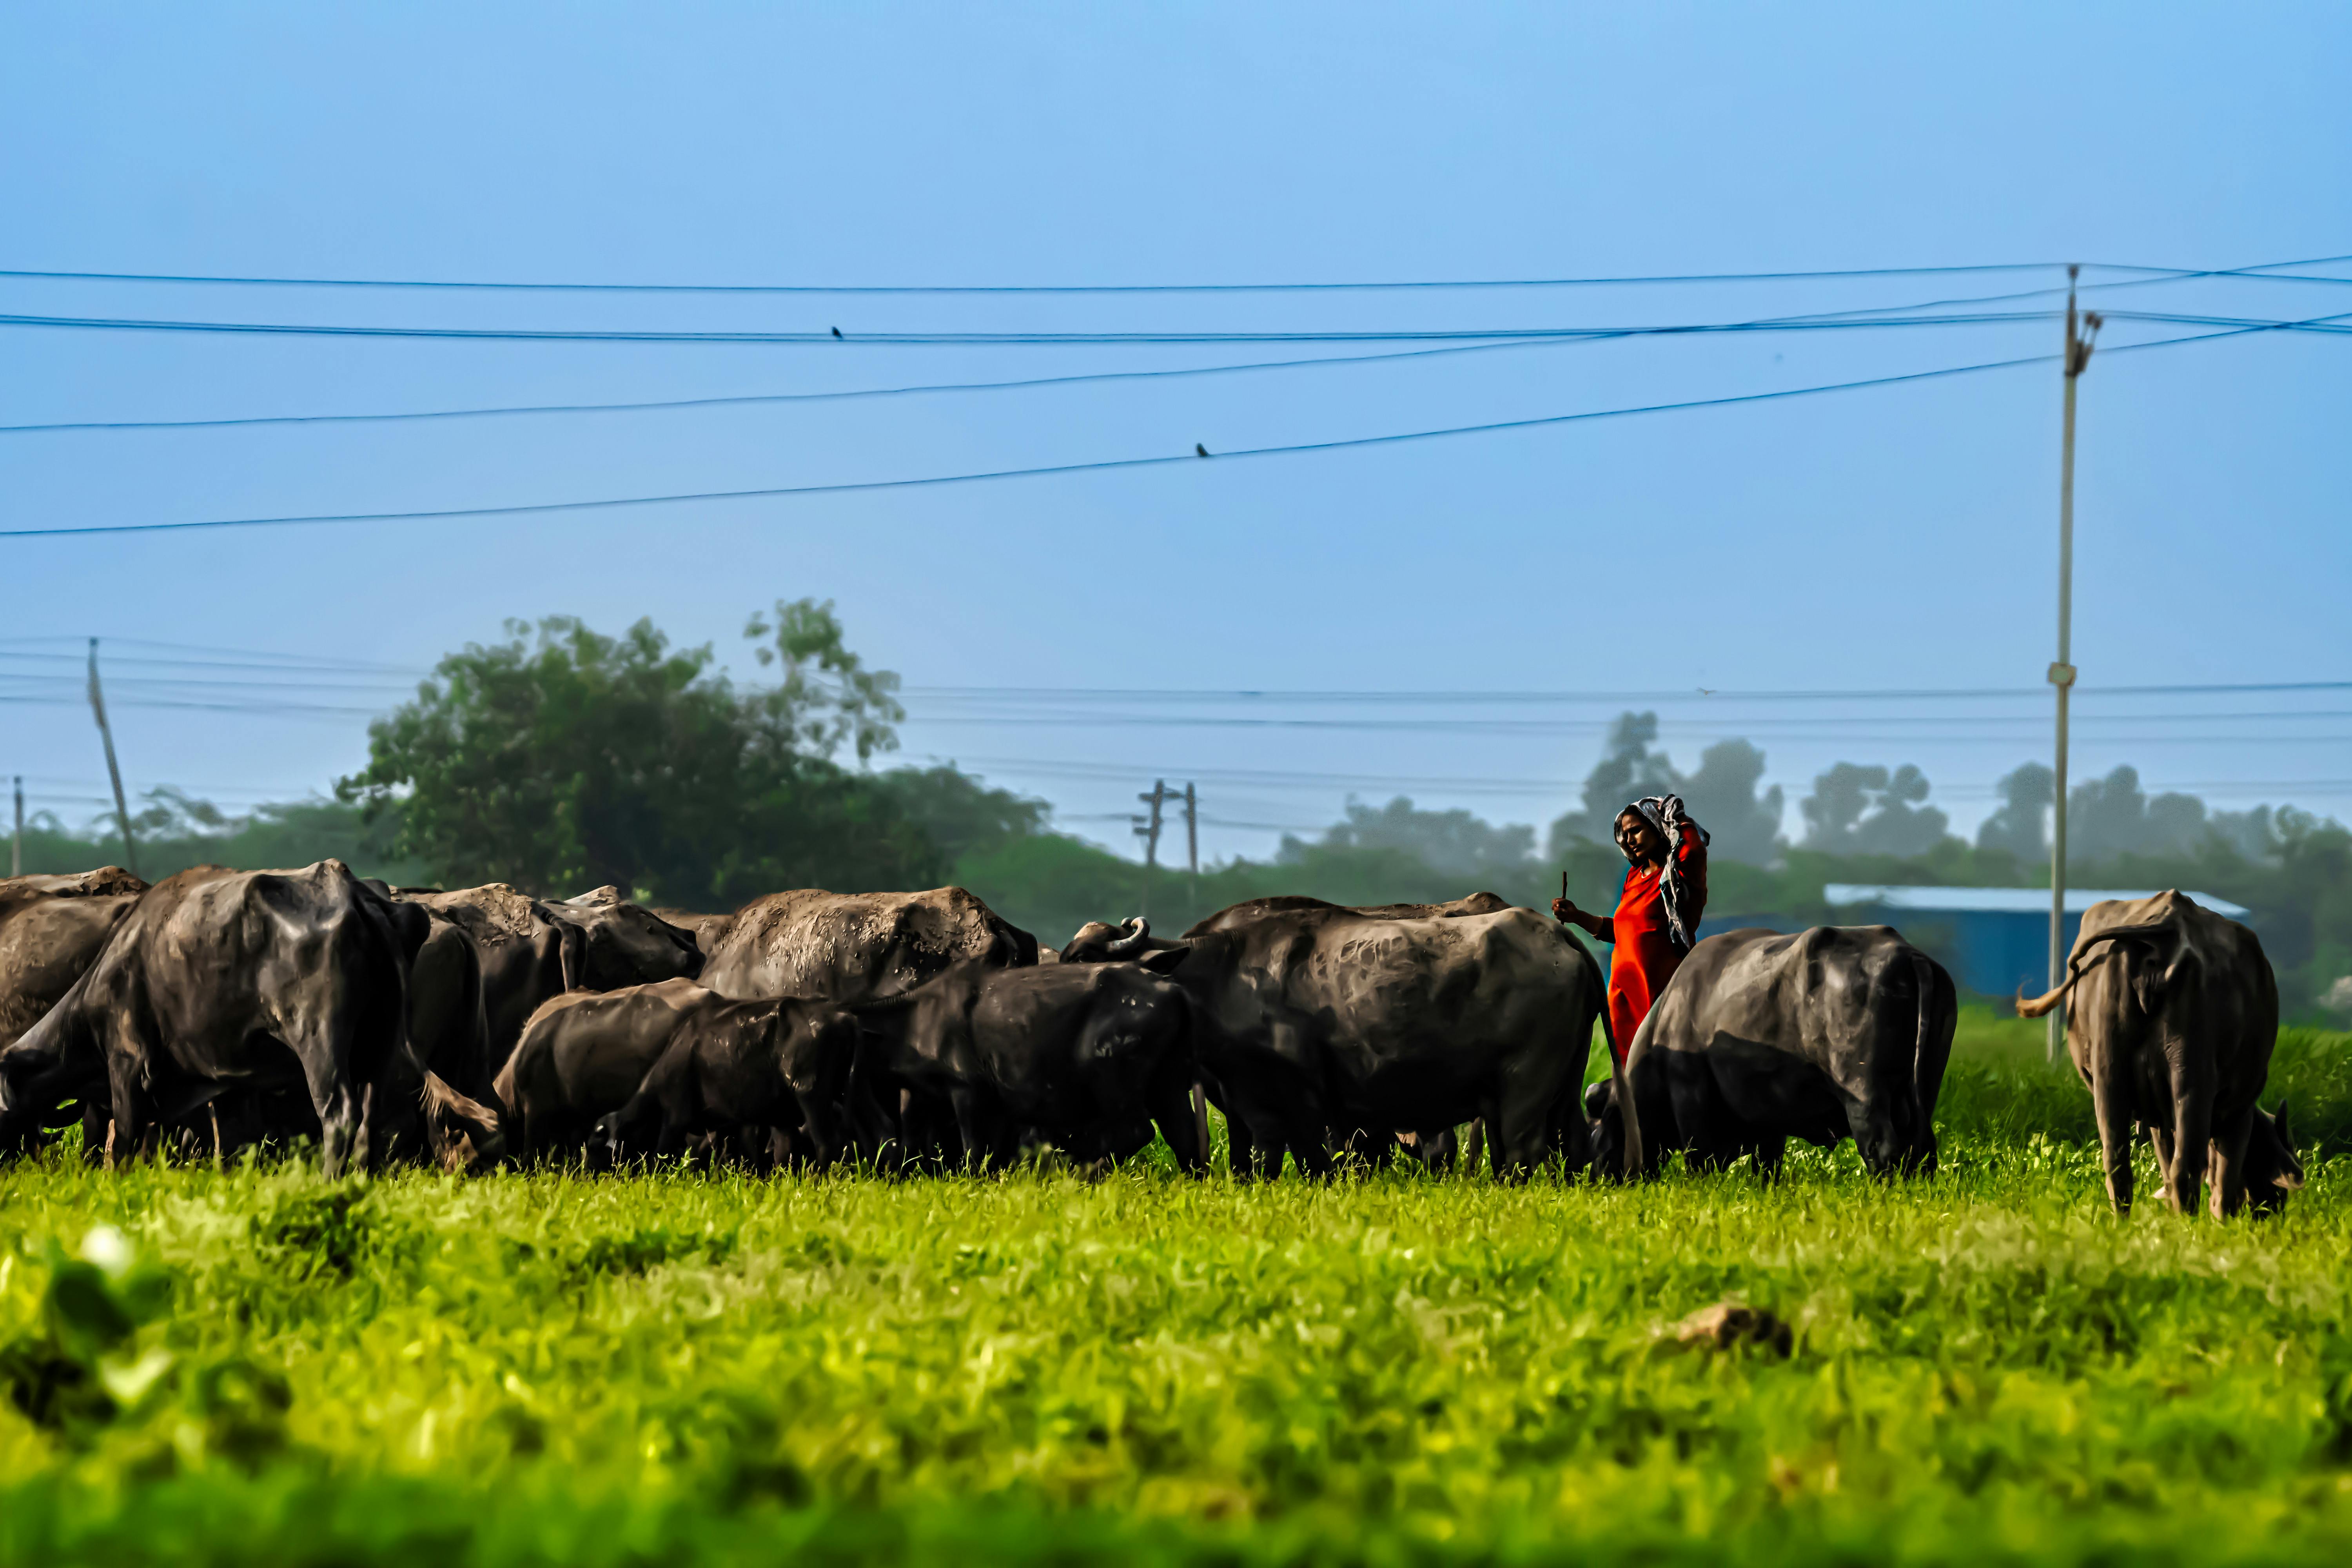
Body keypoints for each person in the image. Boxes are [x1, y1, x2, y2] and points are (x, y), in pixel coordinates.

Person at [1551, 794, 1710, 1058]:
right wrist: (1577, 916)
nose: (1628, 840)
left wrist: (1675, 814)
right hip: (1622, 995)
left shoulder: (1679, 875)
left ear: (1658, 825)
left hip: (1660, 992)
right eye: (1624, 835)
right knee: (1627, 1077)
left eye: (1636, 830)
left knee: (1660, 1070)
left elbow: (1692, 848)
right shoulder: (1634, 876)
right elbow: (1624, 931)